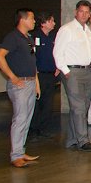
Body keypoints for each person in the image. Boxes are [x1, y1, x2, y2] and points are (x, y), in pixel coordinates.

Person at [0, 8, 41, 168]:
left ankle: (20, 151)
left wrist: (36, 83)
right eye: (32, 18)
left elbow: (32, 62)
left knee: (27, 118)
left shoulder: (27, 38)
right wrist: (13, 77)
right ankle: (15, 155)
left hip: (29, 82)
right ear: (22, 20)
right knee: (20, 118)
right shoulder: (13, 37)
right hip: (19, 84)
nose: (34, 21)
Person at [53, 0, 91, 152]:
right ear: (75, 12)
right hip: (72, 72)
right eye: (81, 11)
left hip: (87, 71)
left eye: (87, 12)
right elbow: (57, 52)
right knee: (78, 107)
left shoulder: (87, 31)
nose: (84, 15)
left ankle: (72, 139)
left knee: (83, 106)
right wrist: (66, 71)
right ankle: (83, 140)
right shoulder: (67, 29)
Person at [29, 12, 58, 140]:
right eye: (51, 21)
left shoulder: (52, 37)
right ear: (43, 23)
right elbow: (32, 56)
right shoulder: (34, 37)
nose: (54, 23)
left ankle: (44, 128)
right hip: (39, 75)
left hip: (51, 75)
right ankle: (33, 130)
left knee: (48, 103)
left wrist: (58, 67)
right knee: (37, 103)